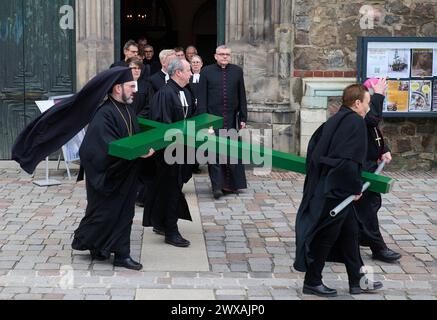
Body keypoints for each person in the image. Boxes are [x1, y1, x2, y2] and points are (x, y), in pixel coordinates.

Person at [294, 84, 383, 297]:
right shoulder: (354, 124)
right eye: (367, 104)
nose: (368, 109)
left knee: (350, 234)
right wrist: (355, 188)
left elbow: (318, 150)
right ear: (357, 103)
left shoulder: (338, 118)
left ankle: (357, 280)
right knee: (326, 236)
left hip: (330, 186)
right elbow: (348, 161)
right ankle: (312, 281)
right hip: (336, 192)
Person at [72, 67, 154, 270]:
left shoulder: (127, 107)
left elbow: (132, 137)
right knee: (104, 214)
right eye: (130, 86)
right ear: (118, 88)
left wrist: (143, 147)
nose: (135, 90)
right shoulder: (104, 113)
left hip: (126, 173)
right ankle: (96, 245)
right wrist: (137, 151)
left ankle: (120, 254)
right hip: (108, 174)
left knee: (124, 213)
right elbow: (97, 148)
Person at [143, 59, 194, 248]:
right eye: (188, 70)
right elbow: (163, 125)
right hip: (169, 153)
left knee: (172, 190)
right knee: (170, 190)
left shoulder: (186, 92)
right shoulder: (165, 94)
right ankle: (171, 231)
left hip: (181, 150)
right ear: (178, 73)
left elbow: (189, 118)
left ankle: (161, 223)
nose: (191, 73)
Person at [356, 77, 401, 263]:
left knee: (368, 207)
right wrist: (379, 95)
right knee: (368, 209)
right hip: (360, 169)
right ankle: (378, 248)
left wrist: (384, 149)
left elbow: (374, 131)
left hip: (369, 167)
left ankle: (357, 239)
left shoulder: (366, 114)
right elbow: (372, 120)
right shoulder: (360, 113)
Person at [198, 45, 248, 199]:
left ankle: (231, 185)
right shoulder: (206, 71)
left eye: (227, 54)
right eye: (222, 54)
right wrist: (205, 122)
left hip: (232, 120)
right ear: (215, 56)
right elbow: (202, 99)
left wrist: (243, 118)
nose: (225, 57)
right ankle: (217, 187)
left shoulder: (237, 71)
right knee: (214, 154)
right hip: (213, 120)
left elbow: (242, 96)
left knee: (231, 153)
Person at [189, 55, 204, 174]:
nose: (195, 64)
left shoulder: (205, 77)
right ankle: (190, 164)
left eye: (197, 62)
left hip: (201, 112)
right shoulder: (187, 77)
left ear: (201, 64)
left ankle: (197, 163)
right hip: (190, 113)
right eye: (193, 62)